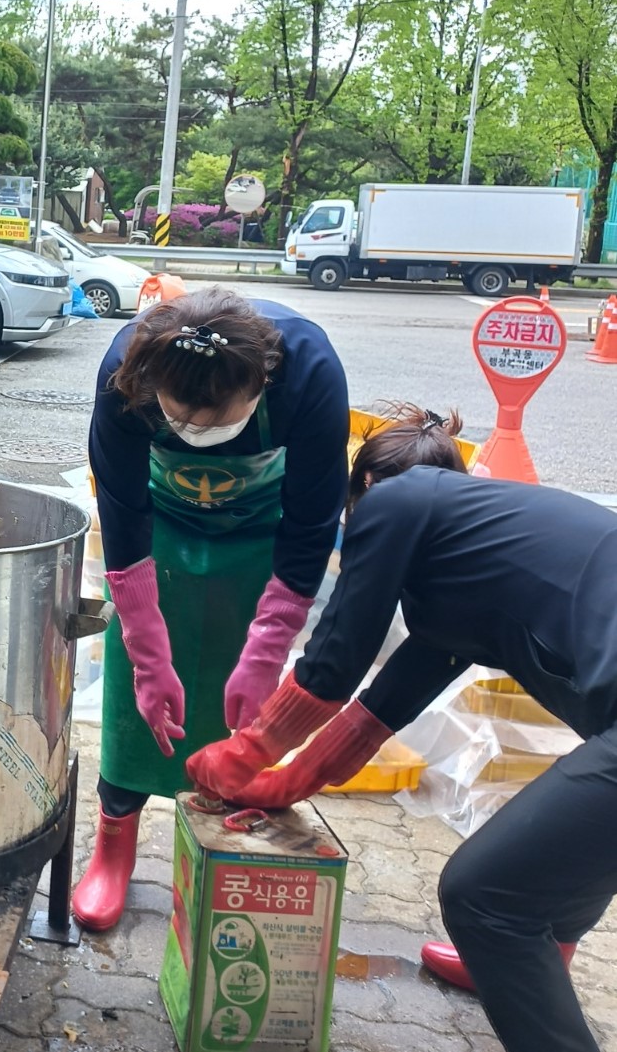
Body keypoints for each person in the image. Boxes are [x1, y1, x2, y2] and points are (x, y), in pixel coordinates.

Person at [187, 409, 617, 1052]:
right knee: (563, 847)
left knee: (481, 895)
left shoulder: (396, 501)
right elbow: (385, 704)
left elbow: (337, 658)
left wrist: (243, 752)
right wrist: (287, 783)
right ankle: (527, 958)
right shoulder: (474, 563)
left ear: (360, 497)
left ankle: (509, 946)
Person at [73, 285, 349, 931]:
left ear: (261, 385)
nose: (199, 432)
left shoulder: (309, 371)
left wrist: (266, 653)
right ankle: (113, 840)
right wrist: (146, 653)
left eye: (217, 418)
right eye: (182, 418)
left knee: (239, 704)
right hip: (157, 527)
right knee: (133, 697)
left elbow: (312, 526)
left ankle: (216, 848)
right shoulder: (124, 370)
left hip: (260, 533)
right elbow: (120, 512)